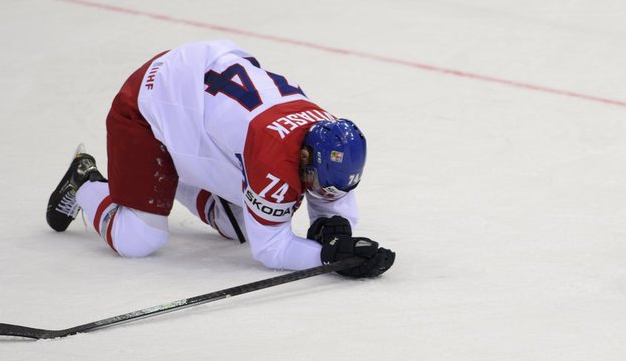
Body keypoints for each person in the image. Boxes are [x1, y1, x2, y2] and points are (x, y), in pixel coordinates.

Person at [45, 40, 395, 278]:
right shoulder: (273, 154)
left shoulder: (329, 138)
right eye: (317, 185)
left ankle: (171, 178)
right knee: (139, 240)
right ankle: (84, 181)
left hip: (197, 95)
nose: (320, 194)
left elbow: (331, 192)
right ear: (303, 156)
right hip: (149, 104)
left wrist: (336, 230)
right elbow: (271, 249)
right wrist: (327, 257)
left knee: (240, 226)